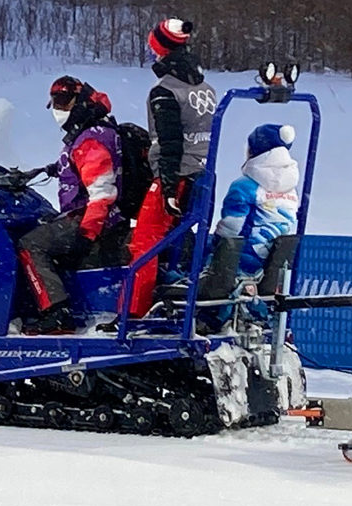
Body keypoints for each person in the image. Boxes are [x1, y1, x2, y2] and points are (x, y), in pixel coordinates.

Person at [17, 76, 125, 335]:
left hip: (90, 218)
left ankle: (57, 312)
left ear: (82, 99)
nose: (58, 109)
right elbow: (81, 166)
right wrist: (47, 170)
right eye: (54, 103)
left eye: (64, 102)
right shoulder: (93, 130)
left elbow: (102, 192)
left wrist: (87, 235)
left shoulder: (90, 139)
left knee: (30, 244)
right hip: (92, 215)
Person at [127, 17, 217, 318]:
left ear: (160, 49)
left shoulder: (164, 91)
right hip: (200, 171)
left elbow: (169, 142)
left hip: (175, 174)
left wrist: (165, 185)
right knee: (179, 239)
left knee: (144, 242)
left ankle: (133, 311)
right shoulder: (205, 88)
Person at [215, 124, 300, 278]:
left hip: (240, 260)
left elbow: (230, 229)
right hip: (271, 266)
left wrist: (211, 246)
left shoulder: (244, 187)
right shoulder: (291, 191)